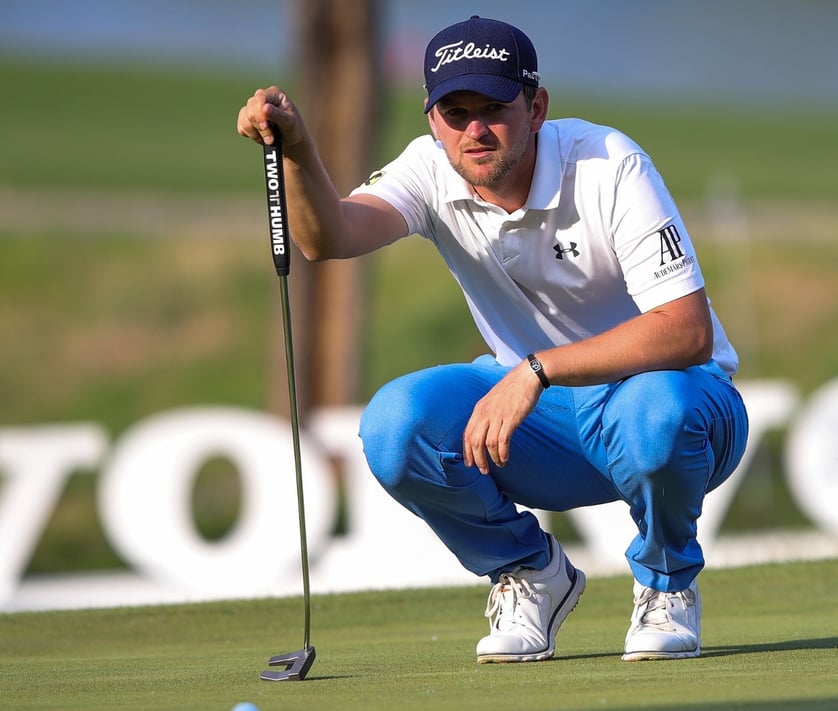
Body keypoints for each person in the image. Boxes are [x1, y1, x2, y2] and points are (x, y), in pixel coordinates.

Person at [236, 15, 749, 664]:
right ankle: (530, 572)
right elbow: (327, 237)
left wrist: (535, 369)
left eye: (494, 108)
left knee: (658, 413)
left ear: (536, 108)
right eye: (455, 111)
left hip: (683, 407)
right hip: (544, 424)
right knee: (397, 425)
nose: (474, 129)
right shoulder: (430, 169)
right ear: (432, 119)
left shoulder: (608, 164)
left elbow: (688, 331)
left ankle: (667, 585)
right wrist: (299, 148)